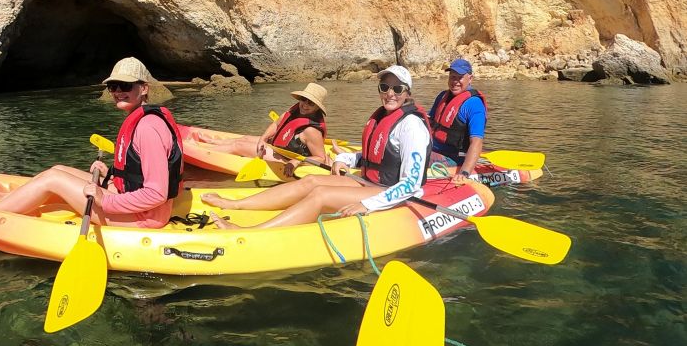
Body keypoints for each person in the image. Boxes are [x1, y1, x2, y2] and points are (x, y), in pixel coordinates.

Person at [0, 57, 183, 228]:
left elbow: (156, 194)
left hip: (143, 217)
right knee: (58, 169)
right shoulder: (143, 120)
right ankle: (6, 199)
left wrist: (105, 200)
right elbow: (139, 173)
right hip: (130, 200)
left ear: (144, 88)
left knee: (53, 179)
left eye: (125, 86)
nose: (117, 92)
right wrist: (111, 175)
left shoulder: (148, 127)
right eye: (113, 86)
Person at [202, 66, 432, 229]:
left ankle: (252, 232)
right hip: (369, 181)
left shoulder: (412, 126)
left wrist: (367, 204)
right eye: (385, 87)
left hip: (389, 191)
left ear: (407, 92)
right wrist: (348, 160)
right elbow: (376, 155)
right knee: (311, 181)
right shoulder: (382, 117)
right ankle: (236, 205)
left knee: (321, 194)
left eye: (397, 88)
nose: (390, 93)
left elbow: (410, 184)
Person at [195, 82, 329, 176]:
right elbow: (277, 124)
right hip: (279, 146)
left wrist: (296, 161)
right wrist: (263, 139)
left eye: (310, 103)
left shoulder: (312, 131)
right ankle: (211, 143)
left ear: (317, 107)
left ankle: (201, 153)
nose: (305, 105)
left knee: (238, 145)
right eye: (304, 99)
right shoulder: (296, 110)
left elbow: (320, 158)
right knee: (245, 138)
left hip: (286, 158)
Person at [428, 58, 487, 183]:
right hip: (433, 149)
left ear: (470, 78)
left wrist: (464, 173)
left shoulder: (474, 105)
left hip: (455, 158)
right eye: (452, 77)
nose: (455, 81)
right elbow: (429, 123)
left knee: (416, 157)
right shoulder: (442, 97)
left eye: (459, 77)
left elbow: (476, 142)